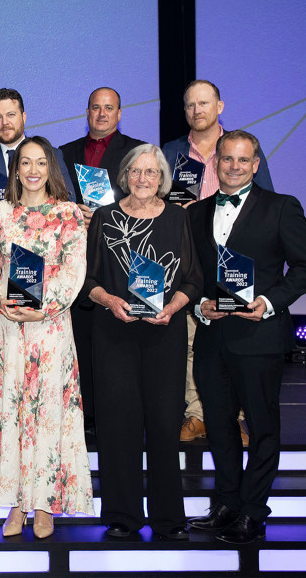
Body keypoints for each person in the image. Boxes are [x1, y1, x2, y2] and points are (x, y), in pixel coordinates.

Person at [187, 131, 306, 544]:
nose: (233, 167)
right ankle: (227, 504)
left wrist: (268, 300)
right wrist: (198, 306)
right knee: (220, 427)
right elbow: (190, 277)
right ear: (216, 163)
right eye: (226, 159)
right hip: (212, 338)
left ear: (256, 165)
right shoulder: (196, 212)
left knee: (262, 427)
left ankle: (252, 510)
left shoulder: (282, 208)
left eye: (242, 161)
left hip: (259, 338)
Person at [0, 136, 93, 539]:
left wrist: (42, 308)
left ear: (50, 168)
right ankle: (16, 504)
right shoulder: (0, 213)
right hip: (5, 333)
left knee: (46, 417)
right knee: (11, 417)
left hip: (49, 331)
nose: (33, 171)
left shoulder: (70, 215)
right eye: (25, 163)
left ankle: (44, 504)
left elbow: (74, 275)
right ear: (15, 169)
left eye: (40, 163)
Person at [83, 145, 203, 540]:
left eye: (152, 172)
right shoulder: (105, 217)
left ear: (163, 178)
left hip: (163, 333)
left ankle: (169, 518)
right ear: (125, 176)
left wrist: (173, 307)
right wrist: (110, 300)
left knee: (165, 426)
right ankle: (122, 515)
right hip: (114, 334)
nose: (143, 179)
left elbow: (193, 280)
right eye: (136, 171)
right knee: (118, 427)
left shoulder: (177, 218)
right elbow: (88, 281)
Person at [163, 80, 275, 444]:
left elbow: (264, 205)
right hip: (190, 257)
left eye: (204, 103)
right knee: (195, 340)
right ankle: (197, 415)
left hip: (234, 260)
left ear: (220, 107)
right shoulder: (171, 151)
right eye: (190, 105)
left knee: (237, 340)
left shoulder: (242, 148)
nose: (197, 111)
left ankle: (236, 418)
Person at [0, 88, 75, 351]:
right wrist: (6, 251)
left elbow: (64, 205)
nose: (5, 122)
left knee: (40, 355)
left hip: (43, 272)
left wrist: (29, 255)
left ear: (24, 116)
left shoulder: (52, 155)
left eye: (11, 114)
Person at [59, 88, 146, 428]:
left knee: (113, 336)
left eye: (108, 108)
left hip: (118, 256)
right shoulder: (64, 153)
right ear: (87, 112)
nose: (102, 114)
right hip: (74, 256)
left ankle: (115, 412)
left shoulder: (137, 152)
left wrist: (107, 214)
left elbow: (145, 197)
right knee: (79, 336)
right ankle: (82, 411)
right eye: (96, 108)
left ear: (119, 113)